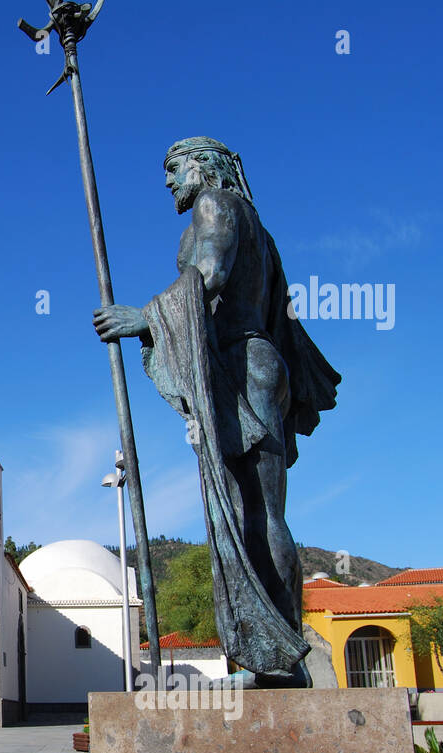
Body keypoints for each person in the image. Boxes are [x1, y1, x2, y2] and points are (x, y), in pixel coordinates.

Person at [93, 136, 340, 685]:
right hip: (257, 365)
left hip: (240, 367)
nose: (168, 181)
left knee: (252, 510)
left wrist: (146, 318)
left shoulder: (215, 205)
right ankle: (281, 653)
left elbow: (209, 274)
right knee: (264, 511)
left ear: (204, 166)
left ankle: (278, 654)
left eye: (174, 168)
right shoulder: (259, 227)